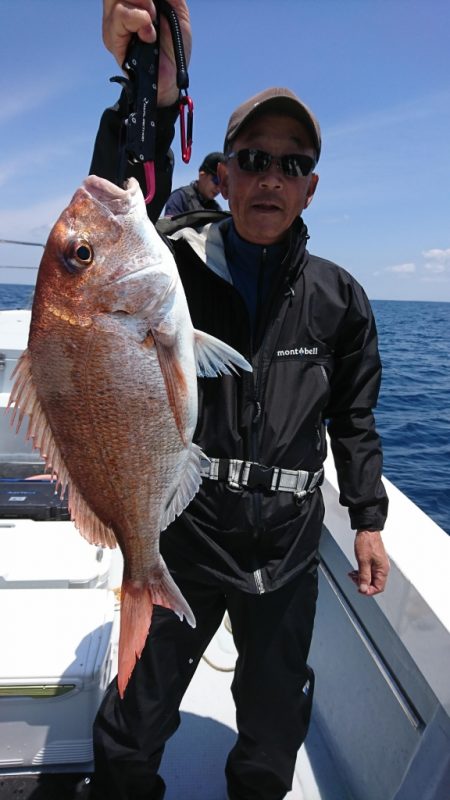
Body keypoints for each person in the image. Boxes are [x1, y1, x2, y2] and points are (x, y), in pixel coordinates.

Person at [88, 2, 390, 799]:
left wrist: (366, 520)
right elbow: (116, 205)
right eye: (254, 159)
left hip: (287, 551)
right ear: (222, 174)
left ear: (311, 188)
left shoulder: (339, 298)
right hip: (185, 533)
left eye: (292, 166)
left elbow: (354, 417)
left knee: (272, 730)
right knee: (131, 722)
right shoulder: (170, 272)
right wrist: (146, 90)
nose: (271, 178)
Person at [163, 151, 225, 216]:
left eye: (223, 184)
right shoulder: (179, 198)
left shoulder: (217, 209)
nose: (219, 188)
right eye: (216, 181)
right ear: (202, 175)